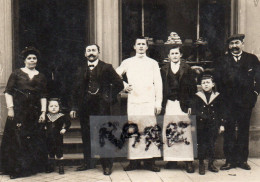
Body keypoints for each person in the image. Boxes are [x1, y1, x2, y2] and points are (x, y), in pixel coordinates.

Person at [70, 44, 123, 175]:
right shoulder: (80, 69)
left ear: (98, 52)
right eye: (88, 51)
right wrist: (74, 107)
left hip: (101, 107)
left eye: (94, 50)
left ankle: (107, 165)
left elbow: (119, 84)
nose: (91, 53)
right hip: (85, 107)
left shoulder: (107, 67)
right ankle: (88, 162)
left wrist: (108, 97)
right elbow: (74, 90)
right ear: (85, 54)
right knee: (86, 135)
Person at [0, 46, 48, 179]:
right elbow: (8, 92)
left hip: (34, 111)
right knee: (17, 138)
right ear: (24, 60)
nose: (32, 60)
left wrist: (43, 112)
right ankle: (16, 168)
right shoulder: (16, 73)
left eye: (34, 58)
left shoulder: (41, 76)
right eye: (29, 58)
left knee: (32, 138)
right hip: (19, 111)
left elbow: (43, 95)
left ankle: (30, 167)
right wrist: (10, 109)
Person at [116, 37, 163, 172]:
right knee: (133, 130)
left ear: (147, 47)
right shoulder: (127, 62)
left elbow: (158, 84)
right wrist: (124, 85)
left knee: (149, 130)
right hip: (134, 101)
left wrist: (158, 103)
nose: (141, 46)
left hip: (148, 101)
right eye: (139, 44)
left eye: (143, 44)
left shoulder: (153, 63)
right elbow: (115, 75)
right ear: (134, 47)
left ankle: (150, 162)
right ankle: (134, 162)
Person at [215, 34, 260, 170]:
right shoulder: (222, 60)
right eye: (232, 44)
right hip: (228, 102)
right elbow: (218, 80)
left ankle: (242, 160)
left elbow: (259, 79)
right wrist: (222, 98)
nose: (234, 46)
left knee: (243, 130)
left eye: (237, 43)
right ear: (228, 46)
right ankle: (230, 160)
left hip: (246, 102)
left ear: (242, 44)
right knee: (228, 130)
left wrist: (255, 94)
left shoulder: (252, 59)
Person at [160, 46, 197, 173]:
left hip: (183, 104)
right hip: (170, 104)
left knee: (185, 132)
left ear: (180, 55)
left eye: (177, 53)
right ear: (168, 56)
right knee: (170, 131)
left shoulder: (187, 69)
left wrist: (191, 105)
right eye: (172, 53)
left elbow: (193, 89)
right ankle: (172, 160)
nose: (175, 55)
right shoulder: (163, 69)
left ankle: (188, 161)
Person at [192, 72, 225, 175]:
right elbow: (194, 111)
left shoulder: (218, 96)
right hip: (201, 125)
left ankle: (211, 163)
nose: (206, 85)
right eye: (203, 83)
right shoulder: (197, 96)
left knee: (211, 143)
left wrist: (222, 124)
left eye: (208, 82)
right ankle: (201, 164)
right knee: (201, 144)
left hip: (213, 124)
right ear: (201, 85)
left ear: (213, 84)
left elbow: (221, 111)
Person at [45, 98, 71, 174]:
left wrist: (64, 129)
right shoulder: (47, 116)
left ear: (59, 107)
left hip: (58, 138)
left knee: (59, 152)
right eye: (51, 106)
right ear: (48, 107)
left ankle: (61, 167)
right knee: (50, 152)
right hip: (49, 138)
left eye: (56, 106)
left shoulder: (61, 116)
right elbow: (42, 124)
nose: (53, 108)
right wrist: (44, 127)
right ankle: (51, 167)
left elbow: (68, 123)